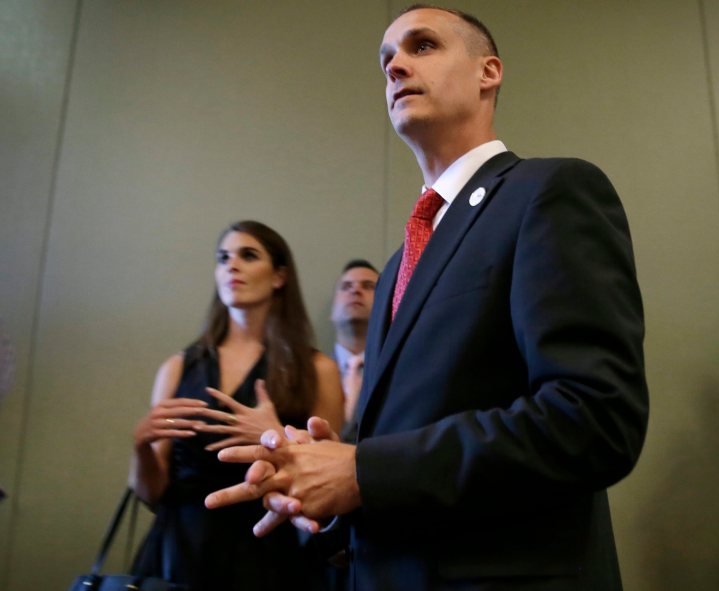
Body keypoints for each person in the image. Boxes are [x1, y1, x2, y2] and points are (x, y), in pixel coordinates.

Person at [206, 5, 648, 590]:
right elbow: (396, 458)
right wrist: (320, 481)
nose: (394, 67)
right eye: (386, 59)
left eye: (422, 46)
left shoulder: (548, 192)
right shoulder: (395, 269)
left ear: (488, 72)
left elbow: (594, 420)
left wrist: (364, 471)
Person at [129, 220, 343, 591]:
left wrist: (276, 439)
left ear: (279, 276)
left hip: (265, 557)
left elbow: (326, 489)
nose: (232, 265)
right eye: (223, 258)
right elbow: (151, 495)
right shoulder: (179, 367)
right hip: (177, 553)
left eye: (248, 255)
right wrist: (140, 446)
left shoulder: (316, 370)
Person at [329, 259, 379, 438]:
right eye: (346, 286)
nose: (355, 290)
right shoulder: (306, 373)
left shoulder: (400, 375)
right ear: (332, 310)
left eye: (368, 286)